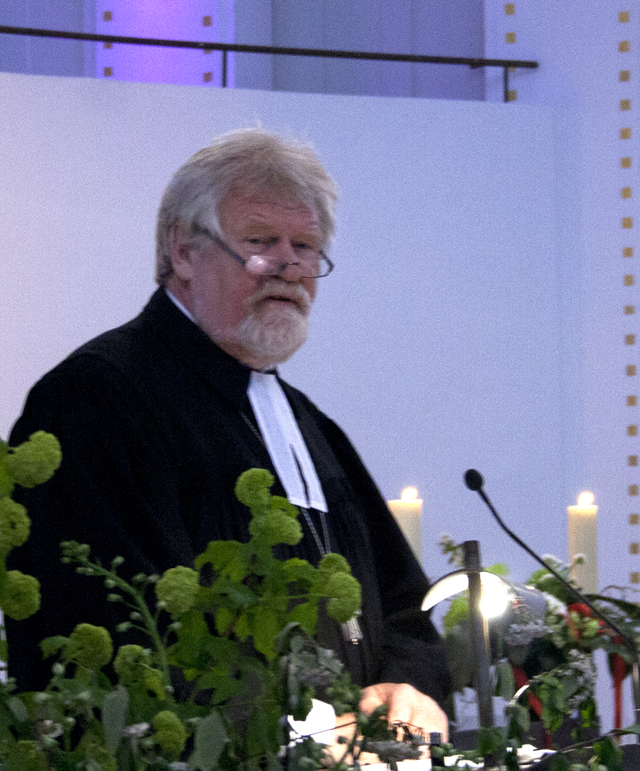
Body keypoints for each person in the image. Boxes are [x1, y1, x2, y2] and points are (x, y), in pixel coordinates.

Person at [7, 129, 451, 737]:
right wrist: (301, 733)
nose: (291, 267)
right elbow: (109, 629)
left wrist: (406, 691)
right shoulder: (96, 398)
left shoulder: (307, 422)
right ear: (183, 252)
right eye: (261, 243)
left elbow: (403, 605)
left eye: (306, 247)